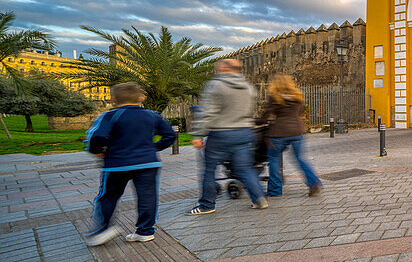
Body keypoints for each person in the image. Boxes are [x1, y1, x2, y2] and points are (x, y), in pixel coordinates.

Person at [83, 82, 177, 246]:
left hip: (117, 164)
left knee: (108, 196)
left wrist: (97, 151)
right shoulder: (152, 115)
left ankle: (103, 229)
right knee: (147, 196)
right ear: (140, 98)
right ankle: (145, 231)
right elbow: (170, 135)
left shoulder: (110, 116)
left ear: (113, 98)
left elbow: (96, 137)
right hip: (148, 163)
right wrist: (153, 148)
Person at [188, 59, 267, 215]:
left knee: (209, 170)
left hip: (221, 133)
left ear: (224, 68)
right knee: (245, 168)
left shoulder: (215, 85)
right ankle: (259, 198)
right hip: (244, 133)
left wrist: (198, 134)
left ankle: (207, 205)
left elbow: (208, 112)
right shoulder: (249, 87)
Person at [259, 74, 323, 197]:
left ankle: (275, 190)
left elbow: (266, 115)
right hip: (297, 131)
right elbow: (299, 112)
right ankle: (313, 182)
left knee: (273, 159)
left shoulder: (275, 97)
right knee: (300, 158)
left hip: (278, 132)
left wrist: (259, 121)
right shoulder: (297, 96)